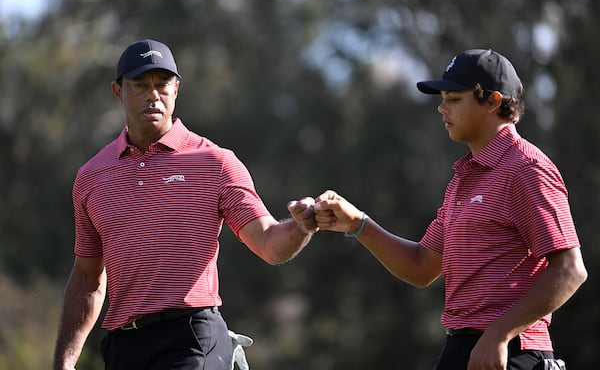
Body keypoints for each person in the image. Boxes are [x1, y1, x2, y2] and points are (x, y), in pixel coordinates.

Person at [312, 49, 587, 369]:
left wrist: (499, 334)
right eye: (443, 99)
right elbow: (421, 266)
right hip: (463, 348)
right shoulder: (463, 179)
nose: (442, 109)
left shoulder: (526, 168)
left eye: (454, 99)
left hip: (511, 351)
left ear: (494, 102)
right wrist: (358, 224)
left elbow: (570, 269)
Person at [53, 39, 318, 370]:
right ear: (118, 92)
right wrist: (64, 361)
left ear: (176, 90)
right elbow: (87, 279)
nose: (153, 95)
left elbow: (268, 243)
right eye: (140, 84)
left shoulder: (215, 163)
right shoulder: (92, 177)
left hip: (190, 337)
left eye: (162, 84)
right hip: (123, 346)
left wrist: (300, 226)